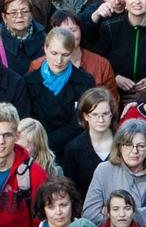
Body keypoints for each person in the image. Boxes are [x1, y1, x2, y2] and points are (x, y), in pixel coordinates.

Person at [23, 26, 95, 162]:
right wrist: (41, 144)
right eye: (54, 53)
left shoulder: (85, 81)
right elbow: (27, 119)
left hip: (71, 152)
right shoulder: (29, 81)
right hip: (37, 153)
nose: (59, 60)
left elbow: (81, 122)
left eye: (65, 54)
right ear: (45, 49)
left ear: (72, 52)